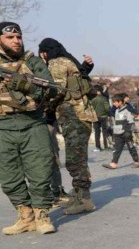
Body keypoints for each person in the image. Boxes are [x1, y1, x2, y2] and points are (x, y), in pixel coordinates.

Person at [0, 22, 56, 234]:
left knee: (40, 169)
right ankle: (25, 216)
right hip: (0, 126)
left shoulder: (33, 61)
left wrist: (19, 83)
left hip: (33, 124)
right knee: (7, 173)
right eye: (10, 38)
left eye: (18, 37)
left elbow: (48, 88)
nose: (16, 41)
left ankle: (42, 215)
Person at [38, 37, 97, 215]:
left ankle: (84, 199)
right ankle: (77, 196)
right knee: (76, 157)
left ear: (44, 52)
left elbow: (56, 90)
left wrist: (41, 105)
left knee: (75, 160)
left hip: (74, 115)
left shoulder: (56, 63)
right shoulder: (68, 61)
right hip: (79, 115)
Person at [102, 93, 139, 169]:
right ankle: (113, 163)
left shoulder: (127, 110)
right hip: (117, 133)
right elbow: (116, 122)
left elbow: (130, 122)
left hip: (126, 133)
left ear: (120, 102)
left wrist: (128, 132)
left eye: (115, 102)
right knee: (117, 149)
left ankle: (136, 161)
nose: (114, 103)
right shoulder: (116, 111)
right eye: (113, 102)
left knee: (131, 147)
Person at [45, 109, 70, 206]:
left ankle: (54, 193)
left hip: (47, 123)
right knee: (51, 161)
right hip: (43, 124)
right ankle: (55, 194)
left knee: (53, 162)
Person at [90, 85, 111, 151]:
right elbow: (107, 108)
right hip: (103, 117)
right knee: (104, 132)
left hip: (95, 118)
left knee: (97, 132)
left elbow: (91, 108)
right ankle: (106, 145)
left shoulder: (93, 100)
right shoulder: (104, 99)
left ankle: (98, 147)